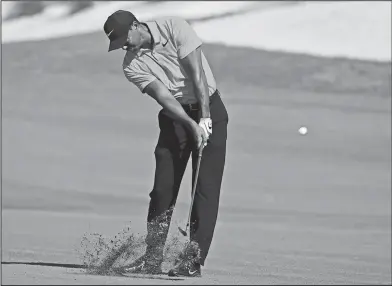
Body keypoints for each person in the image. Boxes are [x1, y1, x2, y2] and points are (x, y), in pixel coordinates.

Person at [103, 10, 228, 277]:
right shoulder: (131, 65)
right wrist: (191, 124)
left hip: (210, 109)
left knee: (205, 189)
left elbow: (197, 75)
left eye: (125, 39)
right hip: (176, 118)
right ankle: (152, 257)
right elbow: (165, 98)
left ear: (136, 25)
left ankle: (192, 260)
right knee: (162, 189)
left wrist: (204, 117)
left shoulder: (174, 27)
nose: (124, 46)